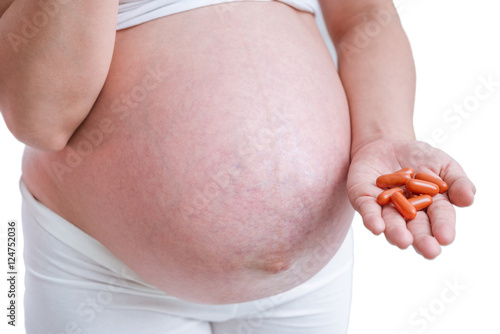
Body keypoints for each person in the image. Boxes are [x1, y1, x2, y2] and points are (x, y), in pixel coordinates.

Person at [0, 0, 476, 333]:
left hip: (311, 274)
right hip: (107, 274)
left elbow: (365, 16)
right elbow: (41, 119)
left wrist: (383, 134)